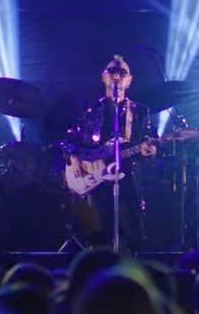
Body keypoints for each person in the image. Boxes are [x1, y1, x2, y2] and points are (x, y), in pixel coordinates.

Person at [65, 56, 156, 250]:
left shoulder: (140, 112)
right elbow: (71, 139)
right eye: (111, 71)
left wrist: (150, 150)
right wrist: (74, 159)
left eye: (122, 73)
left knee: (133, 232)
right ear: (103, 78)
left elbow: (151, 140)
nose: (116, 76)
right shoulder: (90, 110)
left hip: (128, 176)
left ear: (129, 80)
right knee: (96, 234)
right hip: (94, 178)